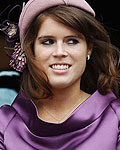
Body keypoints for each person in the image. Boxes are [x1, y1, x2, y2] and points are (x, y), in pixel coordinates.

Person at [0, 0, 120, 149]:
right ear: (31, 50)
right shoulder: (4, 126)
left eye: (72, 41)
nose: (60, 52)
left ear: (89, 48)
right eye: (48, 42)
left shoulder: (116, 120)